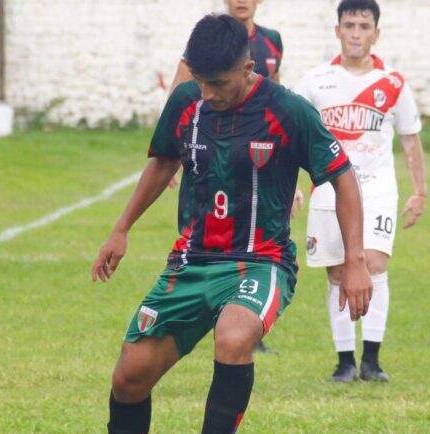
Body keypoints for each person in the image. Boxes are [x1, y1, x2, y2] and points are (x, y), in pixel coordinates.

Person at [92, 14, 372, 434]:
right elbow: (164, 161)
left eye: (218, 84)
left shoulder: (288, 110)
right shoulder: (187, 101)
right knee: (129, 377)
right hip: (191, 262)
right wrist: (121, 228)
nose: (208, 93)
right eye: (201, 81)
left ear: (247, 68)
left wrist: (355, 260)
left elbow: (343, 178)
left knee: (234, 335)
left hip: (261, 261)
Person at [295, 0, 426, 383]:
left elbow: (410, 140)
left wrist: (420, 191)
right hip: (329, 189)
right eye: (348, 25)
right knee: (337, 270)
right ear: (337, 31)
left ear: (376, 33)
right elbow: (293, 138)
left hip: (377, 187)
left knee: (372, 263)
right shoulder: (315, 81)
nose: (355, 33)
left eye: (363, 26)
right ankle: (344, 360)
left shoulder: (394, 83)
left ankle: (372, 359)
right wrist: (291, 188)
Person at [167, 0, 293, 353]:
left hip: (260, 159)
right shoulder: (208, 42)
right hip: (215, 153)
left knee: (260, 236)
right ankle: (223, 319)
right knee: (217, 233)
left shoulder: (272, 41)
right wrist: (176, 152)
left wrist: (289, 173)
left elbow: (278, 100)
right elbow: (182, 93)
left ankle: (246, 320)